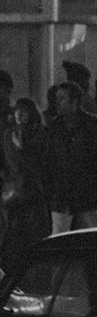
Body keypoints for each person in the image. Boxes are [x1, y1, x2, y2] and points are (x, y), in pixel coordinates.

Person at [45, 80, 97, 232]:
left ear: (74, 101)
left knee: (90, 236)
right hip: (61, 194)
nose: (57, 103)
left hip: (88, 194)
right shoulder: (54, 126)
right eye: (57, 99)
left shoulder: (92, 124)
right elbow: (50, 159)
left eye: (62, 99)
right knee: (59, 238)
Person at [1, 97, 50, 270]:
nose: (20, 115)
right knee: (11, 236)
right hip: (13, 192)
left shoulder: (40, 134)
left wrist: (22, 149)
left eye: (24, 111)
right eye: (17, 111)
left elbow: (38, 165)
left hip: (33, 191)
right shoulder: (8, 134)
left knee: (33, 235)